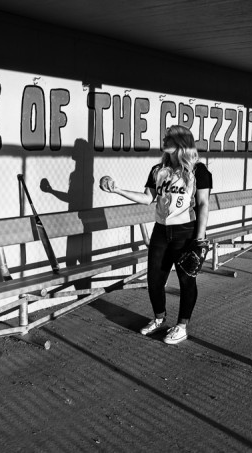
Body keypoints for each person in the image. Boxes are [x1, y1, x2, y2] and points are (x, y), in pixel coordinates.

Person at [99, 125, 211, 344]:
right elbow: (147, 198)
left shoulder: (198, 170)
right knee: (154, 279)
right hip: (161, 230)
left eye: (168, 138)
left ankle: (182, 326)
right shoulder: (158, 170)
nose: (164, 140)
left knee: (186, 280)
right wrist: (117, 190)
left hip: (185, 231)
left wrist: (199, 239)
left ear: (180, 143)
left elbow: (203, 204)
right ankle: (159, 318)